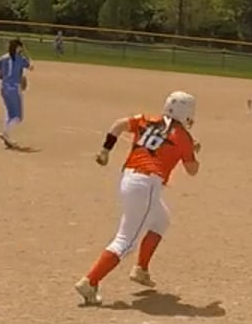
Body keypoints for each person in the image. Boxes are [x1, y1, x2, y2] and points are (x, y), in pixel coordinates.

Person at [76, 91, 201, 305]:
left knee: (161, 220)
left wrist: (106, 150)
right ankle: (90, 281)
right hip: (148, 184)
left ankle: (141, 269)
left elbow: (118, 125)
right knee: (126, 241)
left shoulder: (147, 120)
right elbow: (192, 170)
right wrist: (193, 151)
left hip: (129, 178)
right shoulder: (183, 137)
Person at [0, 39, 31, 149]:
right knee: (18, 117)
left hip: (3, 88)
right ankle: (5, 133)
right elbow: (30, 66)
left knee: (9, 112)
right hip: (14, 89)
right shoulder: (21, 59)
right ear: (18, 48)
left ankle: (7, 136)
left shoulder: (2, 58)